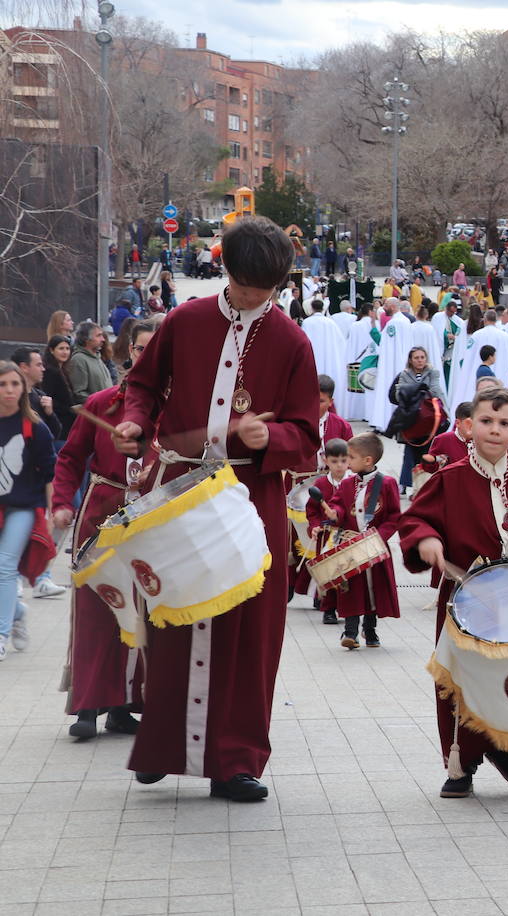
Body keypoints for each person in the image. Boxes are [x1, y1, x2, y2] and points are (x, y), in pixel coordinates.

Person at [112, 215, 320, 802]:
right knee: (173, 618)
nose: (257, 298)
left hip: (254, 499)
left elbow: (307, 435)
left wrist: (269, 441)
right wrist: (134, 421)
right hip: (182, 495)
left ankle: (236, 761)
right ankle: (165, 746)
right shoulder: (186, 320)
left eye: (269, 289)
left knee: (251, 634)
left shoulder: (292, 341)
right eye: (248, 285)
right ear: (226, 269)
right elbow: (143, 386)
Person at [399, 387, 508, 798]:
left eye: (505, 423)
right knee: (464, 680)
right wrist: (426, 540)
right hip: (469, 598)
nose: (495, 430)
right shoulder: (448, 478)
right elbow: (415, 521)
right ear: (469, 425)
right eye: (487, 422)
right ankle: (463, 764)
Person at [50, 320, 156, 732]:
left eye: (155, 350)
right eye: (141, 348)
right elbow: (71, 457)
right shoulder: (100, 403)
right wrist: (62, 502)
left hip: (150, 518)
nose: (146, 356)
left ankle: (123, 704)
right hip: (100, 513)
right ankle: (89, 705)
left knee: (140, 613)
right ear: (129, 351)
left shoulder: (173, 410)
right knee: (96, 609)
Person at [317, 433, 401, 649]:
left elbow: (393, 516)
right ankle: (351, 632)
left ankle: (370, 630)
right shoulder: (346, 485)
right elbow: (338, 506)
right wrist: (334, 513)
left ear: (367, 461)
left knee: (373, 590)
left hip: (374, 546)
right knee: (351, 589)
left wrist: (379, 537)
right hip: (351, 547)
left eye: (351, 458)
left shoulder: (387, 483)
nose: (347, 463)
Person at [0, 360, 57, 661]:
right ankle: (17, 612)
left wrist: (48, 514)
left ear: (23, 389)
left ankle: (1, 634)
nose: (9, 390)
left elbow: (49, 474)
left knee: (5, 566)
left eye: (14, 384)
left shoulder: (34, 427)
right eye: (3, 384)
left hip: (23, 506)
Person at [304, 438, 353, 624]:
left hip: (348, 535)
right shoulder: (321, 484)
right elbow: (312, 511)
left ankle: (349, 609)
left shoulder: (354, 483)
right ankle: (329, 608)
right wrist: (315, 526)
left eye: (344, 461)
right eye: (334, 461)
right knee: (328, 572)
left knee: (348, 572)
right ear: (325, 460)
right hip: (327, 536)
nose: (340, 466)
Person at [388, 347, 444, 493]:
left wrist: (412, 391)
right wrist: (420, 389)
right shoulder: (404, 374)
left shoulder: (433, 373)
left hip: (429, 419)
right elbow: (400, 394)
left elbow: (436, 391)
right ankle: (404, 484)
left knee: (428, 451)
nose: (420, 360)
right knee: (409, 451)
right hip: (410, 419)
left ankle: (425, 483)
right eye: (416, 358)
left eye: (422, 357)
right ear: (410, 360)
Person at [41, 336, 77, 444]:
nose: (65, 352)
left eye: (67, 348)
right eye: (61, 348)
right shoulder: (50, 371)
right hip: (59, 423)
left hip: (67, 423)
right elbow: (48, 397)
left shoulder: (64, 370)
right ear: (52, 350)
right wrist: (69, 409)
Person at [66, 321, 110, 406]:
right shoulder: (79, 360)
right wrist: (100, 403)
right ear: (86, 339)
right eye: (98, 336)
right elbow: (79, 393)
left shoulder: (97, 358)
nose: (103, 339)